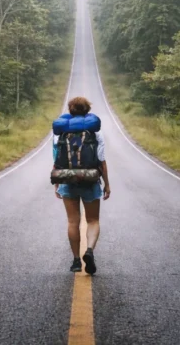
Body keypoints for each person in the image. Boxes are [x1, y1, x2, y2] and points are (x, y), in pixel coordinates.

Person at [53, 97, 111, 274]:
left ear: (70, 111)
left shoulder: (60, 133)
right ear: (87, 111)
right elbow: (101, 161)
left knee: (72, 221)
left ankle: (76, 261)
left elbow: (56, 159)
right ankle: (90, 250)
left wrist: (56, 183)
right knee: (93, 220)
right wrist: (107, 184)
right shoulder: (96, 133)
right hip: (91, 180)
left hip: (68, 180)